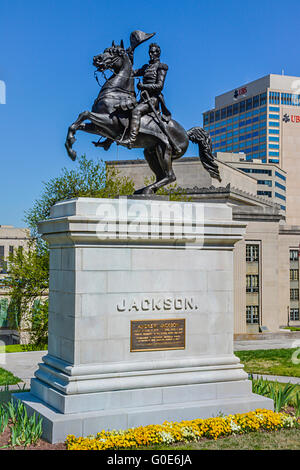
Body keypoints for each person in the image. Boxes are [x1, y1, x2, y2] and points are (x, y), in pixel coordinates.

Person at [122, 43, 171, 148]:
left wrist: (143, 86)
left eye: (153, 52)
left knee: (136, 111)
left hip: (153, 99)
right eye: (149, 52)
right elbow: (131, 72)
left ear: (158, 53)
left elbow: (159, 86)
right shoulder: (146, 67)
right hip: (143, 99)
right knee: (124, 110)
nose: (150, 54)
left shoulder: (161, 67)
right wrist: (130, 56)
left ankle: (131, 139)